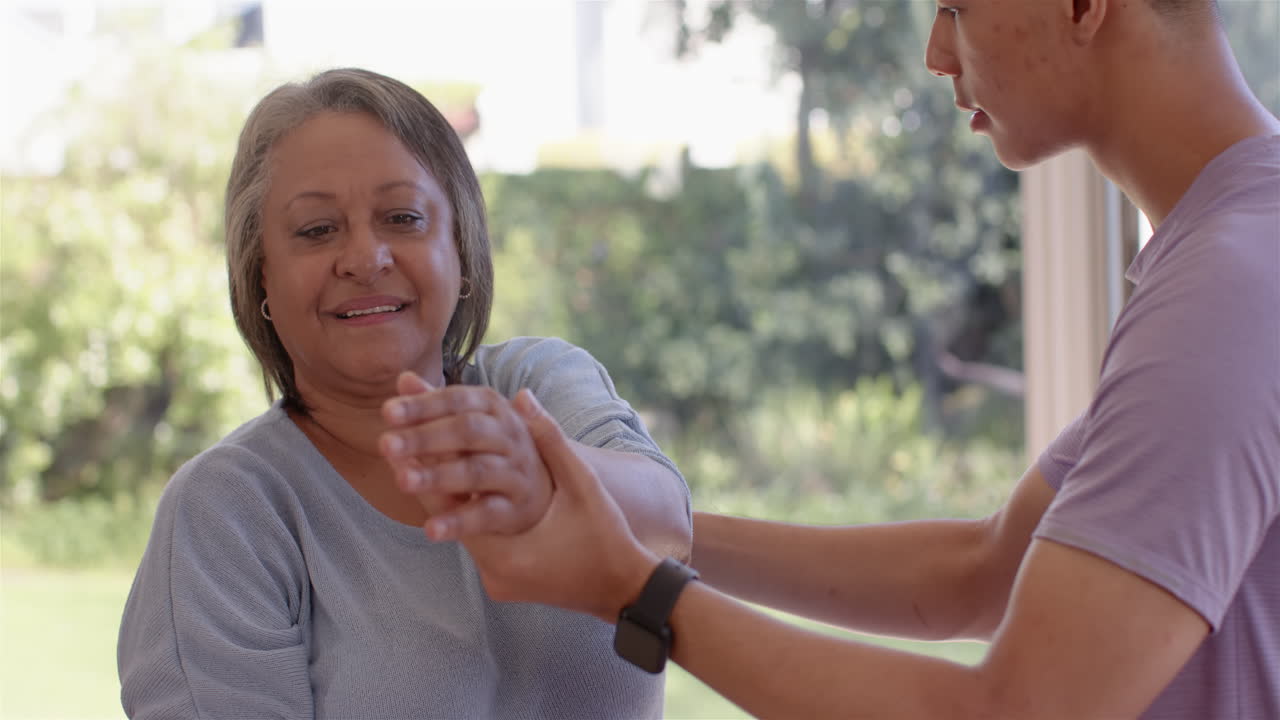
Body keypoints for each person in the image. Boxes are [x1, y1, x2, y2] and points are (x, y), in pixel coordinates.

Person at [396, 0, 1280, 717]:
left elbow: (1018, 708)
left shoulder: (1226, 293)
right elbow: (984, 571)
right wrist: (639, 517)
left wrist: (638, 590)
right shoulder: (1236, 255)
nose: (937, 53)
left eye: (957, 8)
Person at [117, 68, 691, 719]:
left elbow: (670, 526)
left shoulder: (540, 384)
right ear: (262, 278)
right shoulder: (227, 509)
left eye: (403, 218)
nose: (365, 258)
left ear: (463, 253)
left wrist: (538, 465)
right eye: (316, 230)